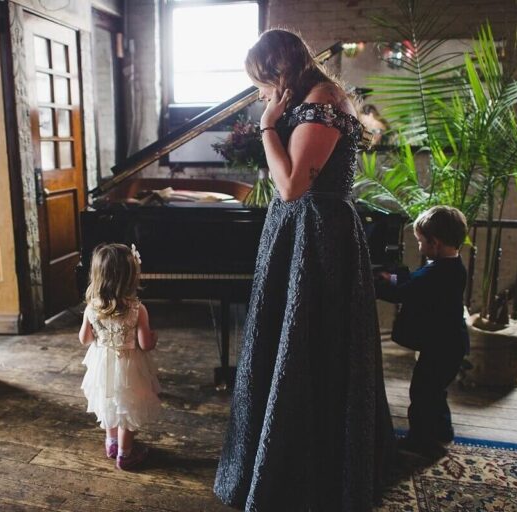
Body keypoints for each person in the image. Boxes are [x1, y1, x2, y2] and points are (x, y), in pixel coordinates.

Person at [214, 29, 396, 511]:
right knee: (290, 344)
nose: (261, 93)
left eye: (262, 81)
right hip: (300, 234)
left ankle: (309, 474)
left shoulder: (322, 100)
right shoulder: (312, 96)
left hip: (317, 237)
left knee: (311, 345)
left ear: (281, 68)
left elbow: (292, 186)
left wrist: (267, 127)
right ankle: (283, 459)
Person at [376, 205, 470, 458]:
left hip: (441, 347)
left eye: (420, 241)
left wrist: (375, 284)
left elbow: (402, 292)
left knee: (422, 393)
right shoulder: (454, 266)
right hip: (452, 344)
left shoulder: (435, 272)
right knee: (435, 390)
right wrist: (394, 277)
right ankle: (442, 431)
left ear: (435, 243)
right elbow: (414, 284)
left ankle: (421, 441)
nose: (419, 246)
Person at [79, 243, 161, 471]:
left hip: (102, 365)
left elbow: (84, 339)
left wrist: (97, 334)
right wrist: (154, 338)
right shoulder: (137, 309)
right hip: (129, 367)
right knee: (128, 407)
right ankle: (125, 455)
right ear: (130, 277)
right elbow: (145, 344)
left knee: (109, 402)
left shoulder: (91, 308)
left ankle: (112, 443)